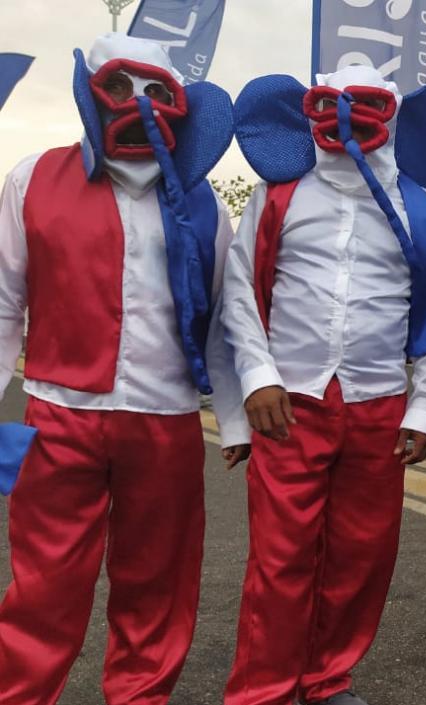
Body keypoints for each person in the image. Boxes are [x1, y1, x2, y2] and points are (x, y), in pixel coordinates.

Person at [0, 33, 244, 704]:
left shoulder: (205, 202)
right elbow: (4, 301)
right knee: (44, 583)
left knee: (157, 583)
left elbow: (221, 317)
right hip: (58, 414)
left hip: (165, 420)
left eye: (156, 91)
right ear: (93, 91)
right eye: (119, 85)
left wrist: (234, 417)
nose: (137, 102)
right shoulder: (30, 178)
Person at [221, 64, 426, 705]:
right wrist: (257, 376)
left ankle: (327, 678)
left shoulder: (415, 207)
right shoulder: (277, 195)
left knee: (362, 557)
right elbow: (240, 290)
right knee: (280, 559)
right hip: (291, 401)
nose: (349, 121)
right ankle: (262, 691)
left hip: (378, 404)